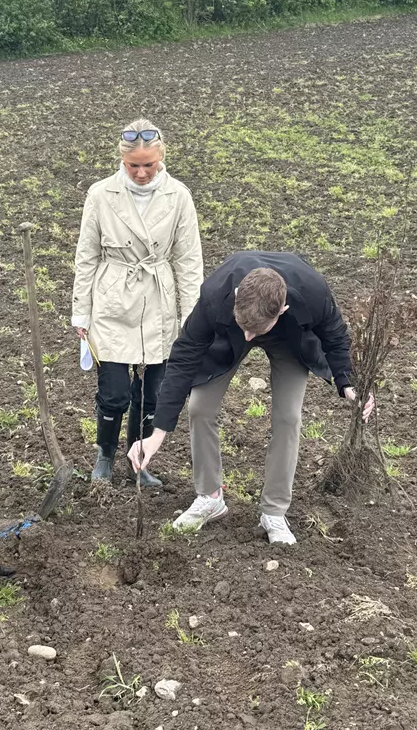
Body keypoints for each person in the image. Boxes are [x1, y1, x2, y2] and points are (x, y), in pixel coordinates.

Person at [128, 252, 374, 544]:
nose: (249, 337)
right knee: (200, 406)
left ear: (282, 308)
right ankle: (210, 498)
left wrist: (349, 382)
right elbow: (183, 359)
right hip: (226, 338)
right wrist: (157, 433)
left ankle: (274, 512)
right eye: (244, 326)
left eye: (254, 331)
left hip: (288, 340)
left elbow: (335, 336)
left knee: (288, 417)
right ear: (234, 297)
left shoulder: (312, 290)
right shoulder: (216, 293)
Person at [72, 119, 203, 487]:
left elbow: (189, 260)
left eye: (150, 165)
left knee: (153, 393)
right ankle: (105, 455)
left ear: (161, 158)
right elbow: (87, 255)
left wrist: (191, 316)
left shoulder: (179, 196)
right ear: (122, 160)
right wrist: (81, 311)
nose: (142, 173)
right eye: (134, 166)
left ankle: (139, 461)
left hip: (157, 301)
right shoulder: (100, 194)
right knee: (113, 392)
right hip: (113, 300)